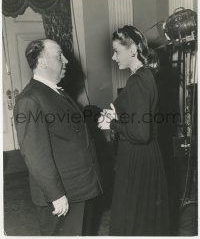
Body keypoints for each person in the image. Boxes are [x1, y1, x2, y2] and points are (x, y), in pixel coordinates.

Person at [14, 38, 102, 236]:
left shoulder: (56, 91)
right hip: (63, 194)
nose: (66, 61)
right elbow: (35, 155)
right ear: (42, 61)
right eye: (59, 56)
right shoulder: (30, 100)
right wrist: (56, 194)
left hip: (80, 187)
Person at [98, 25, 169, 236]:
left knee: (132, 221)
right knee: (144, 219)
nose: (113, 57)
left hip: (137, 157)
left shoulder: (137, 80)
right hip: (147, 156)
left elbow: (140, 133)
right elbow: (139, 117)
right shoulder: (146, 75)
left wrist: (110, 124)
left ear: (133, 50)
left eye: (116, 51)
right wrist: (118, 114)